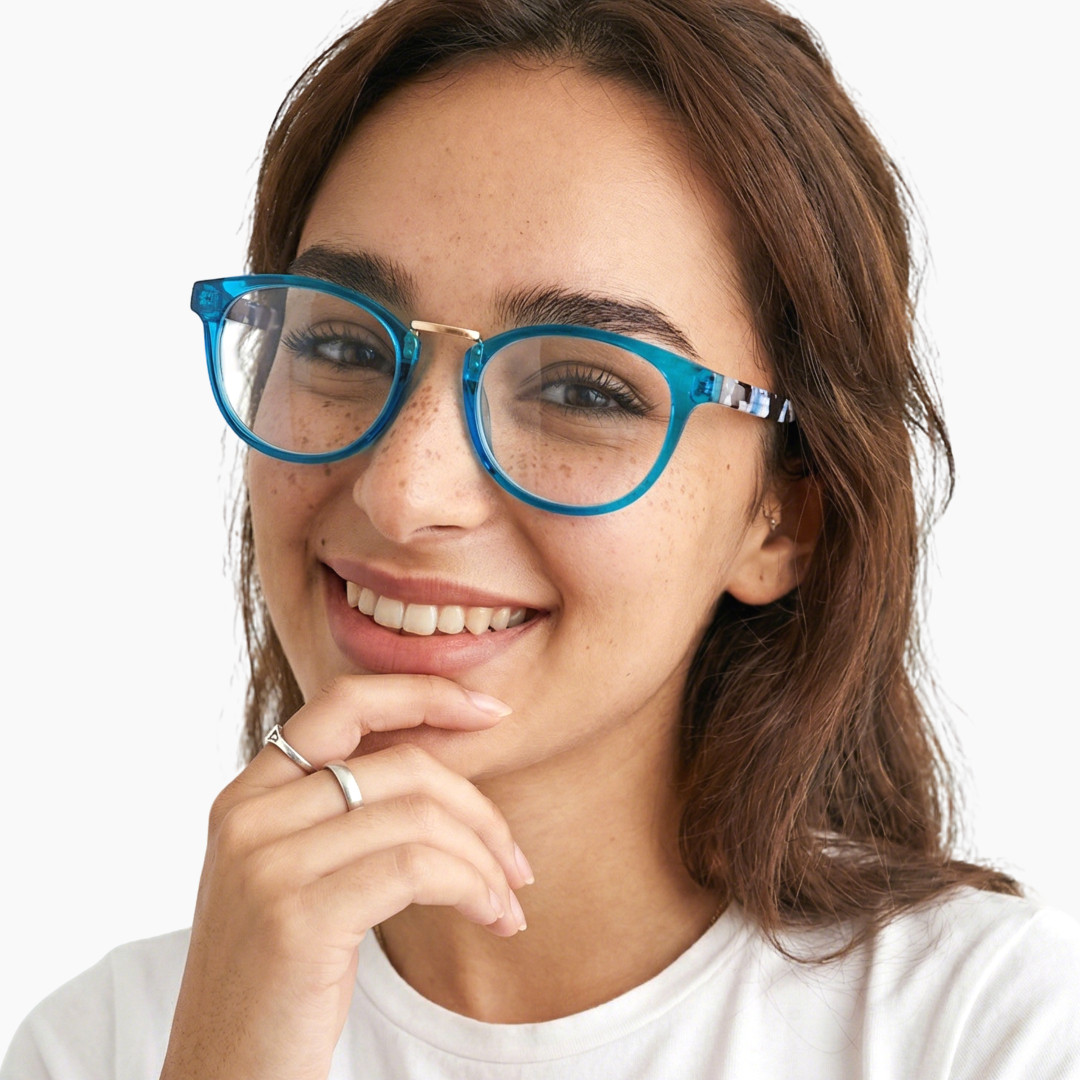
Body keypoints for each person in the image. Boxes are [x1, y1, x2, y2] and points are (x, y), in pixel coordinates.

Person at [4, 0, 1079, 1077]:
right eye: (339, 341)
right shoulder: (106, 1045)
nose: (405, 491)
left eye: (580, 387)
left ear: (785, 514)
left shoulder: (989, 1033)